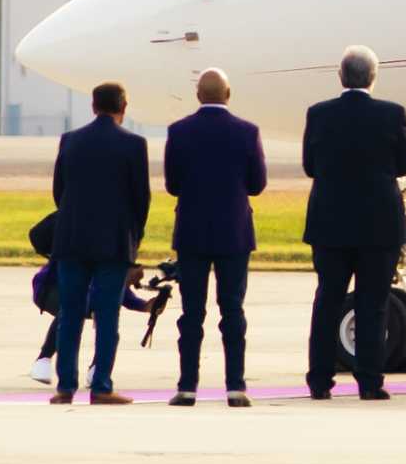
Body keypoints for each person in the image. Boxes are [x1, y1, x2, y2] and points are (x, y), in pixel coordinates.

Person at [301, 45, 406, 401]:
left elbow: (309, 166)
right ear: (373, 77)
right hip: (378, 224)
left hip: (330, 223)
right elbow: (402, 164)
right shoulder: (391, 114)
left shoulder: (318, 114)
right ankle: (369, 381)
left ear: (340, 76)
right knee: (373, 304)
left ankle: (320, 380)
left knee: (327, 302)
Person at [163, 67, 267, 407]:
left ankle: (187, 386)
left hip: (192, 231)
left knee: (191, 313)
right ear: (228, 93)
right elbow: (257, 185)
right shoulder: (247, 132)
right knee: (232, 311)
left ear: (198, 96)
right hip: (234, 232)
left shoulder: (178, 132)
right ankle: (235, 386)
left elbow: (172, 185)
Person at [48, 82, 150, 405]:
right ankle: (102, 385)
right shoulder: (135, 145)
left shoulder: (70, 140)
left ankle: (65, 386)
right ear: (124, 107)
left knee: (70, 314)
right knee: (107, 317)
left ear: (93, 107)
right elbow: (141, 200)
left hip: (72, 239)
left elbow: (58, 192)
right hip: (113, 243)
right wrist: (133, 243)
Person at [22, 209, 159, 384]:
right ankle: (46, 361)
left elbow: (111, 287)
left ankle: (96, 371)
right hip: (51, 289)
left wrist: (146, 306)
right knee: (81, 308)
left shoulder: (110, 239)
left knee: (103, 312)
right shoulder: (96, 238)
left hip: (71, 292)